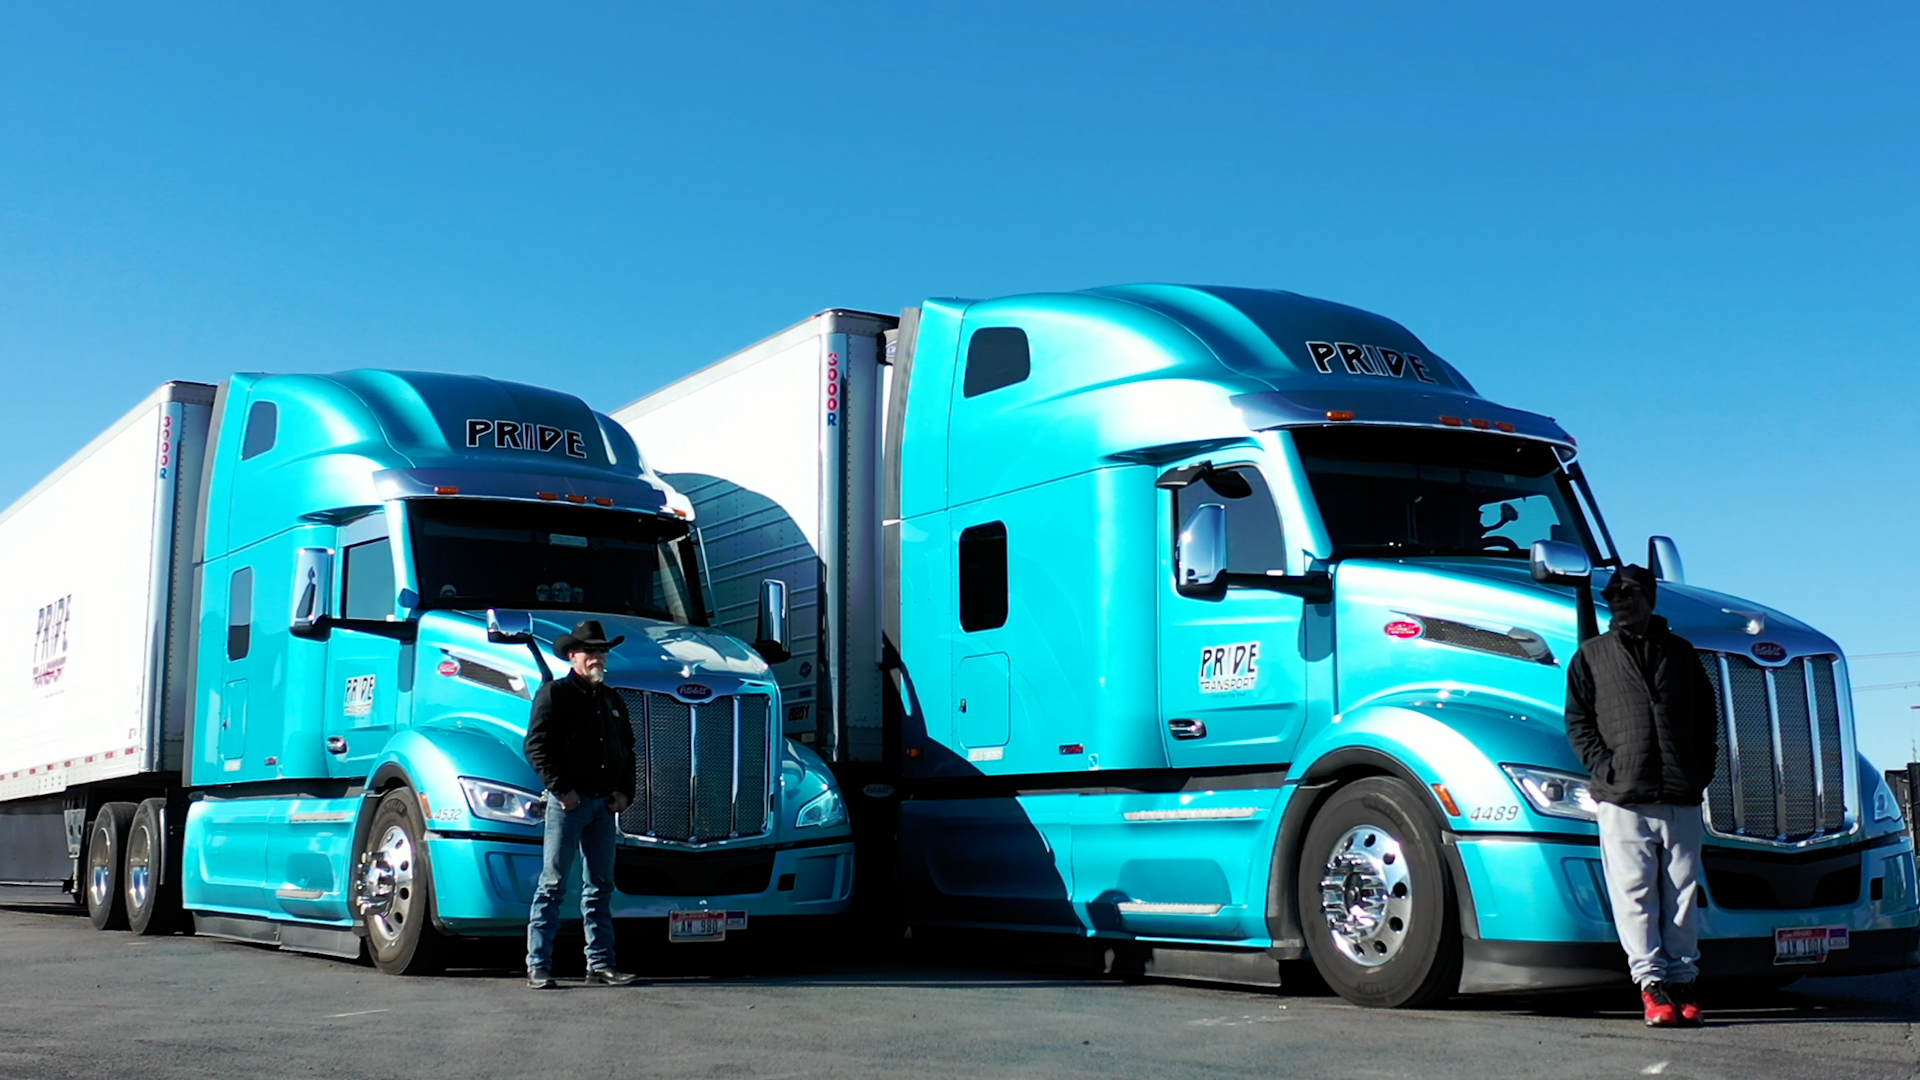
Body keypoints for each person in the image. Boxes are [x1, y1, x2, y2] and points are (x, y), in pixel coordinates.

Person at [1564, 564, 1719, 1027]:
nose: (1618, 600)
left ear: (1649, 597)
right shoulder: (1591, 656)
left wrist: (1699, 772)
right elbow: (1578, 722)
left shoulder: (1681, 654)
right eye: (1612, 594)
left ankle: (1682, 983)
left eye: (1628, 592)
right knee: (1634, 895)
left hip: (1680, 795)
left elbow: (1707, 720)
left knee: (1682, 895)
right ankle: (1651, 987)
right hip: (1622, 796)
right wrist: (1607, 768)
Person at [523, 619, 640, 989]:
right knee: (553, 884)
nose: (598, 657)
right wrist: (562, 791)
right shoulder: (554, 694)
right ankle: (538, 965)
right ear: (573, 655)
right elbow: (536, 747)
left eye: (603, 651)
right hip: (568, 806)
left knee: (600, 887)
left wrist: (625, 794)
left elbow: (628, 751)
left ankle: (600, 965)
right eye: (591, 651)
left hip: (604, 807)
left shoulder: (612, 700)